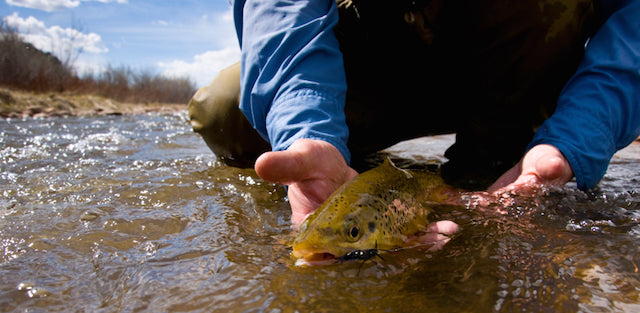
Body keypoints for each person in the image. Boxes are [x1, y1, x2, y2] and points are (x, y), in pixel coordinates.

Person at [189, 0, 640, 229]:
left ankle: (497, 164)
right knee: (223, 112)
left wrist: (574, 141)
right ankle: (335, 164)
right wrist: (306, 129)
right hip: (378, 45)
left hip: (518, 53)